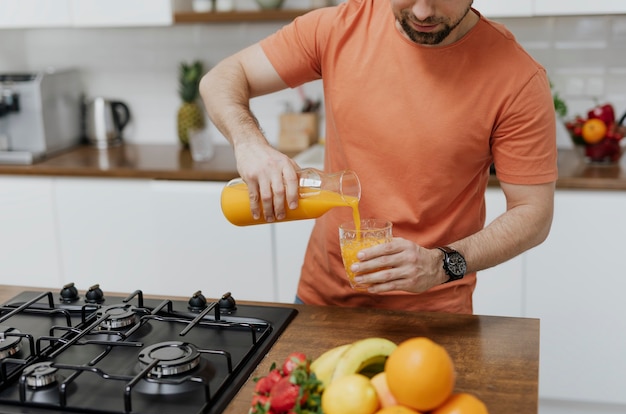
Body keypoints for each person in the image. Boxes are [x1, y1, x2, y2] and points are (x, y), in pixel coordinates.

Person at [199, 0, 557, 314]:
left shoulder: (517, 78)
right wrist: (249, 143)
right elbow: (223, 78)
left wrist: (441, 264)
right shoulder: (338, 28)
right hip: (322, 302)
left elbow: (533, 213)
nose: (421, 11)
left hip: (434, 313)